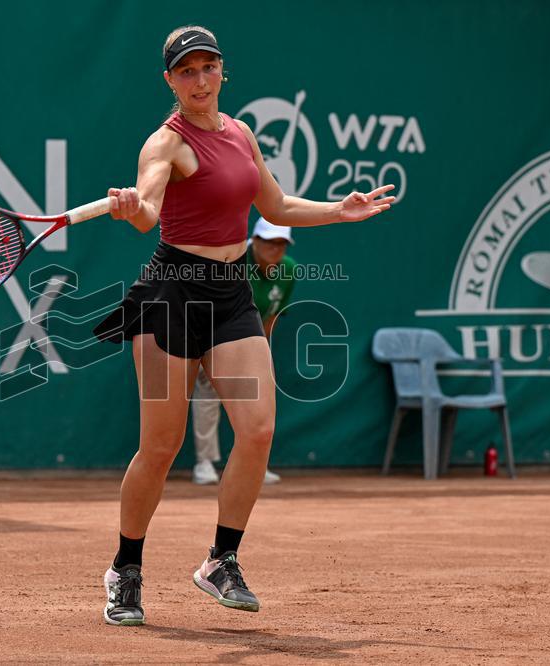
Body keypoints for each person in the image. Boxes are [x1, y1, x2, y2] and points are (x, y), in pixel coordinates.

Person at [93, 25, 395, 626]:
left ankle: (221, 560)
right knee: (161, 446)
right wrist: (133, 207)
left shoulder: (241, 134)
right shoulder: (165, 144)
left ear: (221, 70)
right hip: (171, 296)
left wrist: (339, 211)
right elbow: (149, 210)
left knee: (257, 431)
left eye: (208, 67)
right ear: (170, 81)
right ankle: (125, 568)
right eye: (187, 71)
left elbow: (276, 207)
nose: (200, 80)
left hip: (232, 295)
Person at [192, 218, 297, 486]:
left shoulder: (288, 269)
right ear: (255, 241)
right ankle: (204, 463)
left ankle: (253, 463)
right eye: (270, 242)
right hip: (210, 334)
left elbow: (271, 317)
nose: (276, 249)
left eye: (281, 243)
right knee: (208, 393)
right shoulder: (231, 261)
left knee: (259, 400)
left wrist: (260, 354)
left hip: (249, 340)